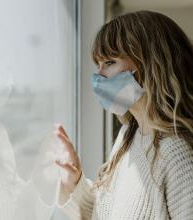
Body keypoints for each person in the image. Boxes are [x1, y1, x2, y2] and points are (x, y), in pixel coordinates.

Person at [53, 10, 193, 220]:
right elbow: (105, 214)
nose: (98, 76)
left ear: (151, 65)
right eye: (97, 65)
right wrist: (75, 182)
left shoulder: (178, 155)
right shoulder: (129, 136)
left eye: (109, 62)